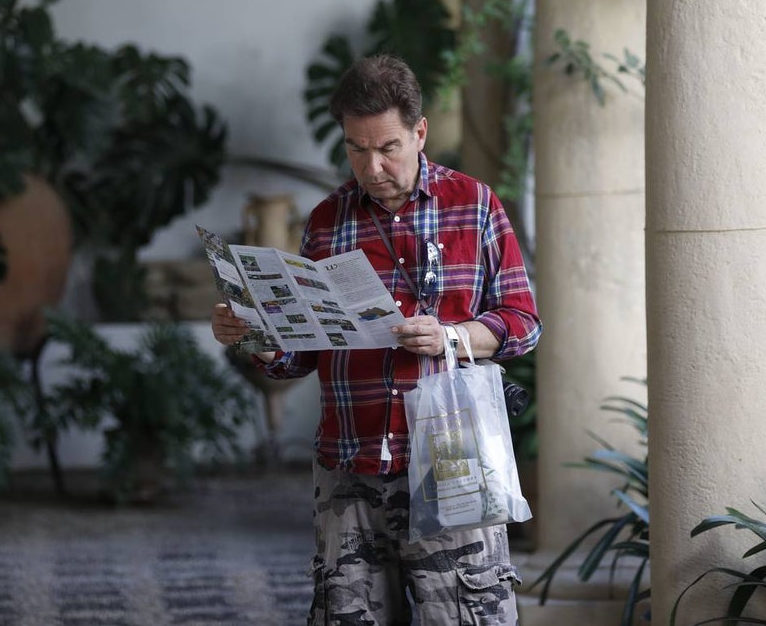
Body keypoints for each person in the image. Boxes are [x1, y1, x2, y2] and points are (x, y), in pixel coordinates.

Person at [211, 54, 541, 625]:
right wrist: (256, 340)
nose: (372, 166)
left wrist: (450, 336)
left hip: (452, 459)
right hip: (349, 463)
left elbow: (523, 322)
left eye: (387, 147)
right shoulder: (326, 220)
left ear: (419, 132)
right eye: (356, 148)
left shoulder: (474, 205)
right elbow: (301, 354)